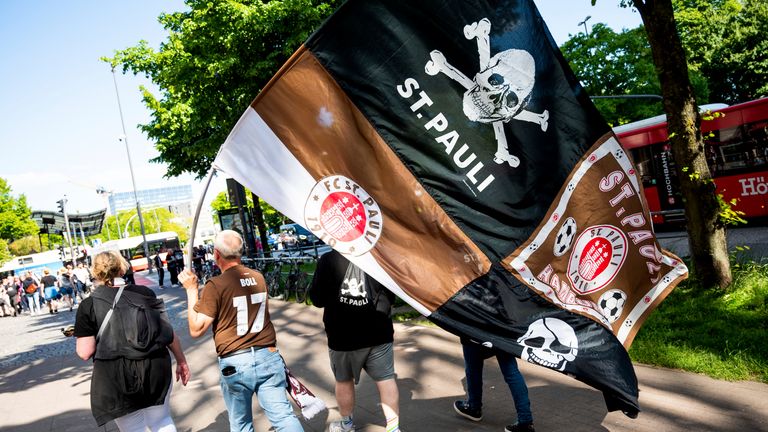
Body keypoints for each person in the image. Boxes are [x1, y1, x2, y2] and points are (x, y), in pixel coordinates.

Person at [178, 230, 303, 432]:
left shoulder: (216, 285)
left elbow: (196, 329)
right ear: (240, 252)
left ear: (216, 254)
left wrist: (192, 291)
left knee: (241, 424)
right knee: (283, 417)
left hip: (235, 361)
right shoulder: (258, 277)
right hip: (268, 356)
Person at [74, 250, 190, 431]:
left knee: (133, 427)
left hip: (118, 375)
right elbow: (167, 331)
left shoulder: (88, 305)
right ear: (122, 268)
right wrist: (181, 361)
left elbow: (84, 352)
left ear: (95, 272)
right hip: (155, 367)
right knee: (161, 420)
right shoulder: (145, 293)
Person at [308, 250, 401, 432]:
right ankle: (393, 428)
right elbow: (391, 294)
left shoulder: (329, 259)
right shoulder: (378, 255)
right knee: (386, 379)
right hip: (378, 330)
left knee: (343, 381)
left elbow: (317, 299)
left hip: (343, 334)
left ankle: (347, 425)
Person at [453, 338, 535, 432]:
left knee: (473, 366)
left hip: (475, 329)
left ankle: (473, 407)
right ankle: (525, 420)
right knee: (511, 372)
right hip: (501, 329)